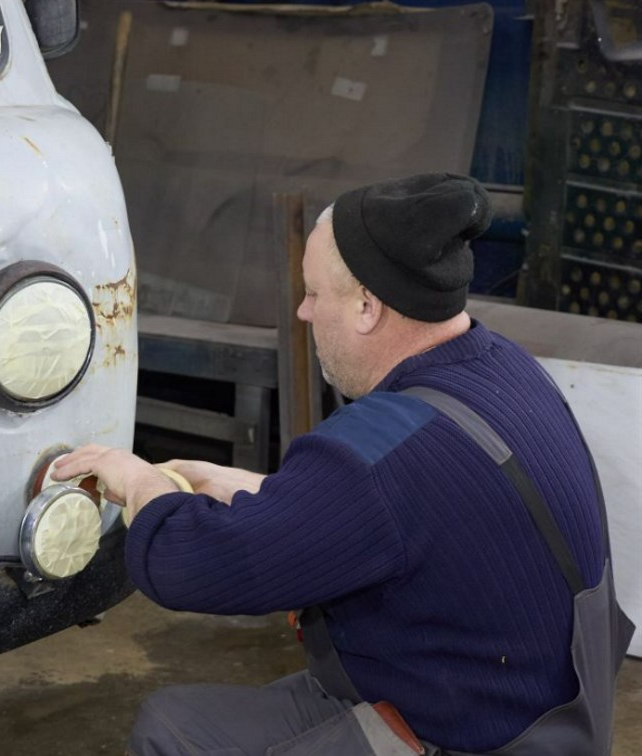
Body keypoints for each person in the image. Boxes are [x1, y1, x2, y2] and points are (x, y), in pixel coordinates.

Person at [53, 173, 634, 755]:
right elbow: (420, 514)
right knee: (187, 717)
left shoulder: (380, 450)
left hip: (460, 737)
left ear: (365, 306)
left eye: (313, 293)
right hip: (535, 716)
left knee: (171, 733)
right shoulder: (507, 370)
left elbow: (188, 564)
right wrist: (258, 491)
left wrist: (139, 481)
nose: (303, 312)